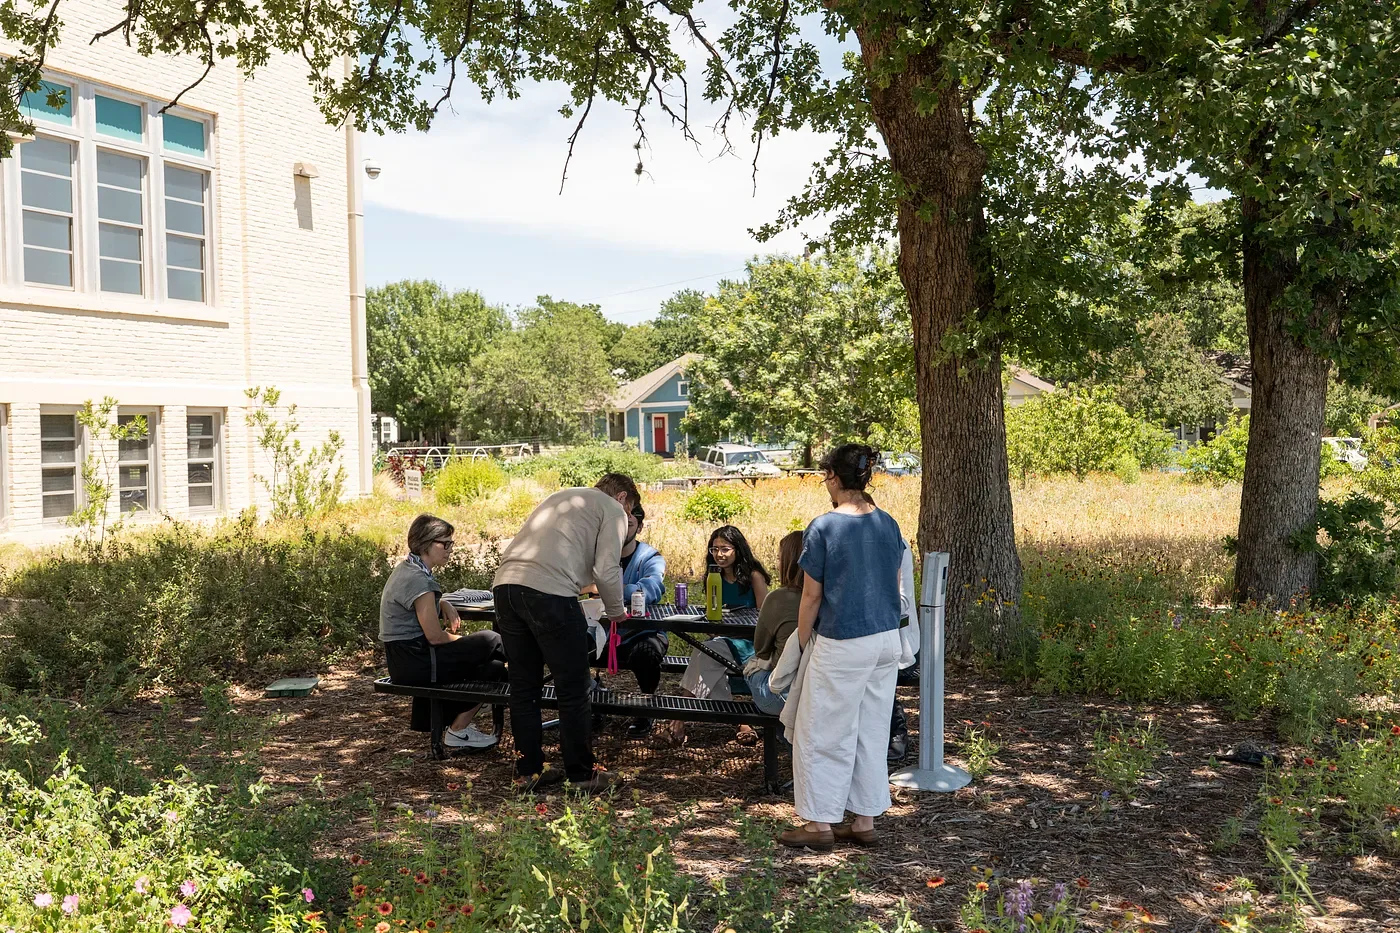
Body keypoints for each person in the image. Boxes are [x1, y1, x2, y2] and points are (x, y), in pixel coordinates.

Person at [780, 443, 906, 850]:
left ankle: (819, 826)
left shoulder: (825, 526)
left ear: (833, 477)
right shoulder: (888, 523)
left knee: (821, 733)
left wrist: (800, 642)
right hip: (886, 639)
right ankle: (864, 820)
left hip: (843, 640)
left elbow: (811, 596)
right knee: (870, 730)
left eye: (825, 477)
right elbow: (896, 586)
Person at [492, 472, 639, 793]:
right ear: (624, 498)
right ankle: (582, 776)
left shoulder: (564, 497)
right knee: (573, 688)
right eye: (632, 513)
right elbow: (606, 568)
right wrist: (616, 612)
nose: (629, 522)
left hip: (505, 587)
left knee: (524, 687)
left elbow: (563, 561)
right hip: (549, 595)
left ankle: (528, 771)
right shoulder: (614, 510)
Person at [380, 514, 507, 749]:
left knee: (495, 668)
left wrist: (442, 602)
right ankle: (540, 678)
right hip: (416, 661)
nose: (450, 549)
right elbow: (435, 636)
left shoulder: (407, 570)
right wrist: (468, 643)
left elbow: (418, 605)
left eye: (451, 543)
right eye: (445, 543)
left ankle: (458, 730)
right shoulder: (419, 580)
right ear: (426, 543)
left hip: (405, 661)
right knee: (491, 640)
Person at [670, 525, 770, 744]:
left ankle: (679, 717)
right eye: (714, 549)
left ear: (737, 549)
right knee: (707, 654)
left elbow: (765, 617)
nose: (719, 555)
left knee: (705, 653)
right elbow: (713, 614)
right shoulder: (713, 577)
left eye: (725, 549)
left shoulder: (754, 576)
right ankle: (740, 722)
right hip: (721, 641)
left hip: (750, 643)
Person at [609, 503, 668, 737]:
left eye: (629, 523)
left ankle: (646, 708)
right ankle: (588, 700)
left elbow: (652, 589)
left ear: (639, 527)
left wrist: (608, 589)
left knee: (646, 652)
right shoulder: (599, 555)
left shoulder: (650, 557)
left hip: (641, 633)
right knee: (571, 644)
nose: (623, 528)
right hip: (603, 633)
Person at [739, 529, 804, 716]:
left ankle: (783, 738)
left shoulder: (778, 598)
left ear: (788, 562)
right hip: (820, 691)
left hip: (783, 695)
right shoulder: (831, 597)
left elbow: (761, 649)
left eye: (779, 558)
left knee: (751, 671)